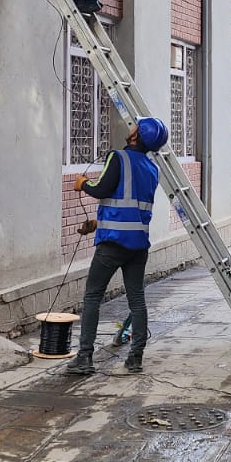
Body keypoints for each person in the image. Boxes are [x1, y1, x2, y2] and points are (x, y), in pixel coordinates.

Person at [65, 116, 168, 376]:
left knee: (92, 296)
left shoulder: (118, 157)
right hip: (138, 246)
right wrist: (96, 223)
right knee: (137, 299)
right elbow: (129, 207)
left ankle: (85, 358)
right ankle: (135, 358)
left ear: (136, 136)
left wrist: (83, 184)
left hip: (112, 245)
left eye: (134, 128)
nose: (130, 129)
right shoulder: (152, 168)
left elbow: (102, 190)